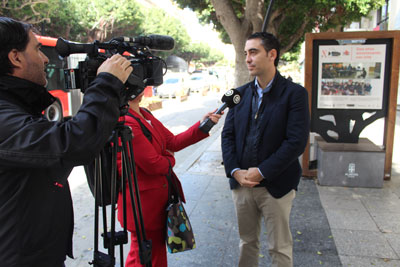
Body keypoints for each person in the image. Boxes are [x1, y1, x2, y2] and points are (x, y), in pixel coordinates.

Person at [0, 17, 133, 267]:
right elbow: (74, 143)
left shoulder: (15, 106)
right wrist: (107, 83)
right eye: (38, 49)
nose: (45, 58)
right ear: (15, 57)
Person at [221, 32, 310, 267]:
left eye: (253, 52)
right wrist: (234, 171)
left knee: (279, 247)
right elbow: (227, 136)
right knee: (247, 242)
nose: (248, 59)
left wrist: (262, 171)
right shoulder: (238, 94)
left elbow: (296, 141)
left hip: (276, 185)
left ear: (272, 55)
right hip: (242, 184)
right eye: (245, 53)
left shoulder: (295, 94)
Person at [117, 91, 222, 267]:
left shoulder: (144, 113)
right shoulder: (125, 120)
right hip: (143, 206)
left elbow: (172, 142)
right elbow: (153, 164)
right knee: (145, 257)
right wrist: (170, 159)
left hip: (156, 201)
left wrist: (204, 125)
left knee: (150, 256)